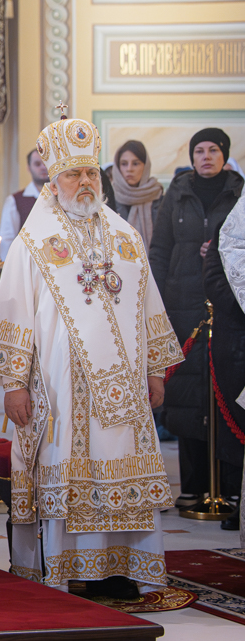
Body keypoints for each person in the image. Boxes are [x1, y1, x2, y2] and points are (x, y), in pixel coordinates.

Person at [0, 113, 182, 597]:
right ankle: (79, 569)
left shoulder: (125, 237)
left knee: (123, 464)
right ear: (54, 178)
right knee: (73, 465)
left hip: (125, 388)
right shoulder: (34, 243)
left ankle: (123, 567)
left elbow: (147, 305)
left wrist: (155, 371)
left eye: (90, 173)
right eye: (72, 174)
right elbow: (14, 314)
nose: (84, 183)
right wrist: (15, 385)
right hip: (61, 390)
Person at [152, 127, 243, 510]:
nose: (205, 157)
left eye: (213, 150)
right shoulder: (178, 192)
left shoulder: (238, 192)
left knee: (226, 394)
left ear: (224, 154)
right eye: (199, 151)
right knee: (187, 397)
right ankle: (192, 486)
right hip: (183, 305)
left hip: (228, 307)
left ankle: (229, 487)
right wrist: (154, 301)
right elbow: (160, 248)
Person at [205, 211, 245, 530]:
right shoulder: (232, 222)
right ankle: (237, 498)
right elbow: (217, 276)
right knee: (238, 424)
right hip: (237, 335)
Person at [110, 140, 164, 247]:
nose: (129, 169)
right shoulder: (108, 197)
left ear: (145, 166)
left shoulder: (158, 196)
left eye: (135, 164)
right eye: (124, 164)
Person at [0, 149, 49, 260]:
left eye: (46, 163)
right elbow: (7, 239)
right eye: (37, 164)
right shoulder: (15, 201)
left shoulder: (63, 199)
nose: (43, 167)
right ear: (29, 167)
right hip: (27, 261)